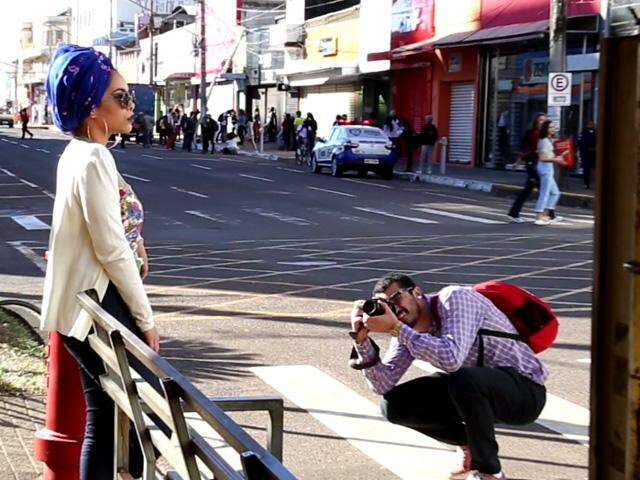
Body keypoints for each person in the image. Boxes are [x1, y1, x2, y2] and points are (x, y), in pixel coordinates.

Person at [42, 44, 160, 480]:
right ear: (93, 109)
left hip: (81, 308)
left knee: (108, 421)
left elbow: (103, 232)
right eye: (122, 98)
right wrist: (146, 319)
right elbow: (110, 248)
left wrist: (138, 246)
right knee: (140, 418)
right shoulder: (93, 157)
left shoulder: (76, 154)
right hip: (101, 309)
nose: (132, 106)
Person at [350, 273, 547, 480]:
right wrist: (361, 340)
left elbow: (451, 357)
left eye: (396, 298)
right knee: (393, 405)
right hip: (475, 393)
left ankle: (489, 472)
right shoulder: (406, 326)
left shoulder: (454, 298)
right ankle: (467, 445)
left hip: (524, 393)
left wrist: (396, 328)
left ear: (416, 292)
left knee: (464, 379)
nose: (394, 308)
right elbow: (382, 384)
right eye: (386, 306)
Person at [507, 113, 546, 222]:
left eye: (544, 120)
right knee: (544, 190)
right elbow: (525, 150)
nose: (543, 122)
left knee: (532, 190)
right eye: (540, 120)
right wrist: (517, 163)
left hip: (541, 165)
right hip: (532, 165)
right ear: (536, 122)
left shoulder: (545, 134)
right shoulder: (531, 134)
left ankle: (514, 213)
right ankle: (548, 215)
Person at [534, 120, 568, 225]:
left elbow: (548, 155)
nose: (552, 129)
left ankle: (546, 215)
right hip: (545, 168)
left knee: (555, 193)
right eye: (550, 127)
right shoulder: (544, 140)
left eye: (553, 127)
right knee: (545, 192)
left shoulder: (548, 140)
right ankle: (539, 216)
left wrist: (560, 156)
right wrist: (557, 160)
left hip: (548, 167)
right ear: (545, 129)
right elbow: (543, 158)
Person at [578, 120, 596, 189]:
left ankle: (587, 184)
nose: (591, 125)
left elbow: (579, 142)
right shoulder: (584, 132)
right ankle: (586, 184)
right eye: (590, 124)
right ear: (587, 125)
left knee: (590, 170)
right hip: (587, 154)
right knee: (587, 170)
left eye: (592, 124)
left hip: (591, 154)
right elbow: (580, 142)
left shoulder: (595, 132)